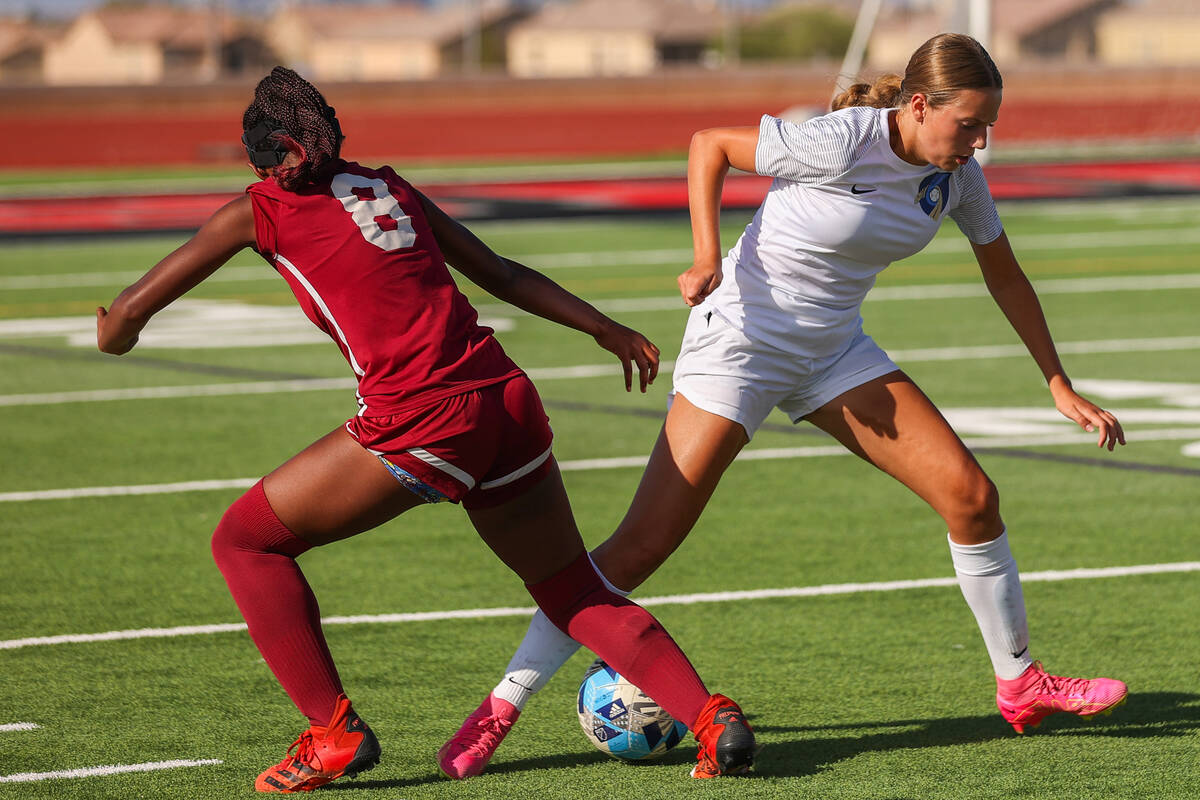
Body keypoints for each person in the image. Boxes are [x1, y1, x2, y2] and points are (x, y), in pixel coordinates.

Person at [438, 32, 1129, 780]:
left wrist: (1057, 382)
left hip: (834, 351)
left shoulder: (956, 176)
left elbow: (1006, 275)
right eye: (969, 124)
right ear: (919, 106)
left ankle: (1020, 684)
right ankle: (500, 706)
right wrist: (706, 256)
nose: (980, 141)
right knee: (641, 546)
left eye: (988, 125)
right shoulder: (842, 141)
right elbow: (709, 146)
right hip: (739, 341)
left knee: (973, 498)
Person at [95, 67, 757, 792]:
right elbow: (501, 273)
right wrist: (604, 328)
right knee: (571, 589)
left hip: (423, 419)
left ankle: (332, 732)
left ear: (271, 154)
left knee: (245, 542)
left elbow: (128, 315)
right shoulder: (390, 186)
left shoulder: (257, 210)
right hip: (505, 400)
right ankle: (710, 718)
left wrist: (111, 333)